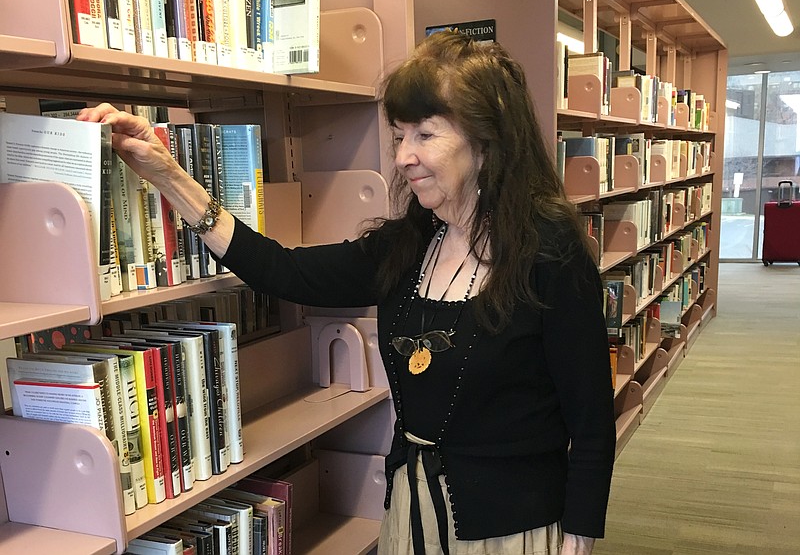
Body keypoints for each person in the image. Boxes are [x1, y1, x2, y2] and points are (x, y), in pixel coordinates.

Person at [79, 30, 615, 555]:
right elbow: (281, 271)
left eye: (425, 135)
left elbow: (590, 418)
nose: (404, 155)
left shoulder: (550, 250)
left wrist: (578, 537)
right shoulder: (408, 245)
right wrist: (166, 174)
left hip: (511, 526)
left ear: (486, 139)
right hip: (411, 510)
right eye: (400, 135)